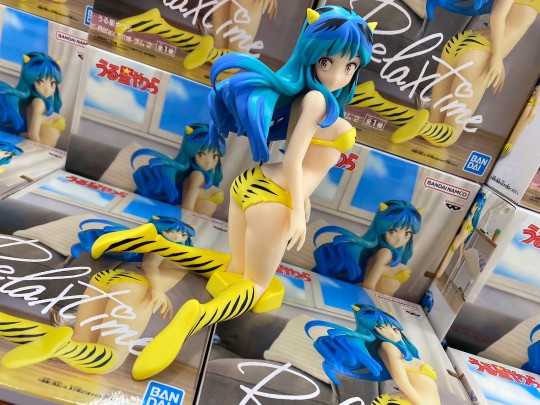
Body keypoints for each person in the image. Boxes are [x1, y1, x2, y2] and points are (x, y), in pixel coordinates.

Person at [90, 5, 376, 380]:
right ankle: (195, 316)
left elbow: (305, 163)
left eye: (350, 66)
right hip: (274, 201)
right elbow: (295, 161)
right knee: (255, 284)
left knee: (234, 268)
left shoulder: (309, 97)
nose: (338, 74)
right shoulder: (317, 100)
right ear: (311, 56)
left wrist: (302, 200)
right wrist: (296, 210)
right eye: (327, 62)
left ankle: (152, 241)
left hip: (252, 185)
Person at [0, 216, 195, 375]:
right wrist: (158, 290)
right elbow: (150, 264)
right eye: (170, 231)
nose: (177, 236)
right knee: (111, 358)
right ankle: (61, 346)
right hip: (135, 287)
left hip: (106, 278)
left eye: (183, 234)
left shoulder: (158, 245)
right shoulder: (170, 249)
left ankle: (7, 324)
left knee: (79, 340)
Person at [351, 0, 538, 147]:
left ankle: (371, 99)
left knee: (434, 123)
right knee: (449, 135)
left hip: (461, 44)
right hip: (480, 53)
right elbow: (497, 17)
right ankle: (414, 120)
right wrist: (497, 58)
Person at [305, 304, 440, 405]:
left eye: (395, 329)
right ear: (372, 331)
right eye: (381, 328)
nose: (392, 334)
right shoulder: (388, 347)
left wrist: (392, 397)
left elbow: (411, 386)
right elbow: (402, 382)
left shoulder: (402, 350)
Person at [312, 200, 422, 296]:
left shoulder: (395, 254)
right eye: (392, 232)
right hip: (370, 299)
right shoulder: (385, 253)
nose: (399, 239)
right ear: (381, 229)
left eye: (407, 233)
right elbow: (368, 286)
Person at [131, 124, 226, 217]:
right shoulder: (197, 176)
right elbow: (187, 208)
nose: (208, 162)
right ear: (191, 152)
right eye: (201, 155)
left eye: (215, 156)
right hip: (193, 222)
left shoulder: (205, 177)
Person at [0, 52, 64, 147]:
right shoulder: (38, 103)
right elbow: (33, 135)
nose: (47, 89)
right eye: (40, 82)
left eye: (52, 83)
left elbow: (27, 133)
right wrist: (40, 149)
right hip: (42, 148)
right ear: (29, 80)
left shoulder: (40, 102)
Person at [434, 192, 486, 279]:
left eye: (477, 206)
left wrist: (460, 255)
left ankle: (437, 275)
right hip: (452, 243)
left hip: (455, 246)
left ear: (479, 208)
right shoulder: (466, 219)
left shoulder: (472, 222)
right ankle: (436, 275)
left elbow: (463, 240)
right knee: (443, 263)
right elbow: (457, 229)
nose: (474, 207)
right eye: (474, 204)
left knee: (445, 263)